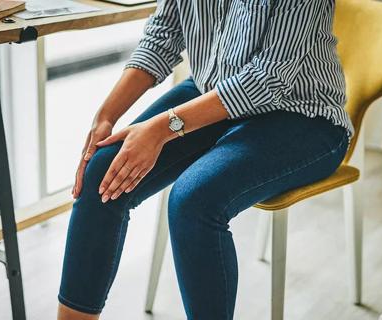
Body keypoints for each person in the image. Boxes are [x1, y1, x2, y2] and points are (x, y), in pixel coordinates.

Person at [57, 0, 354, 319]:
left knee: (194, 202)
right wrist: (106, 115)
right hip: (211, 92)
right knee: (102, 171)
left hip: (303, 115)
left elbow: (267, 80)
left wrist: (161, 129)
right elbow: (164, 33)